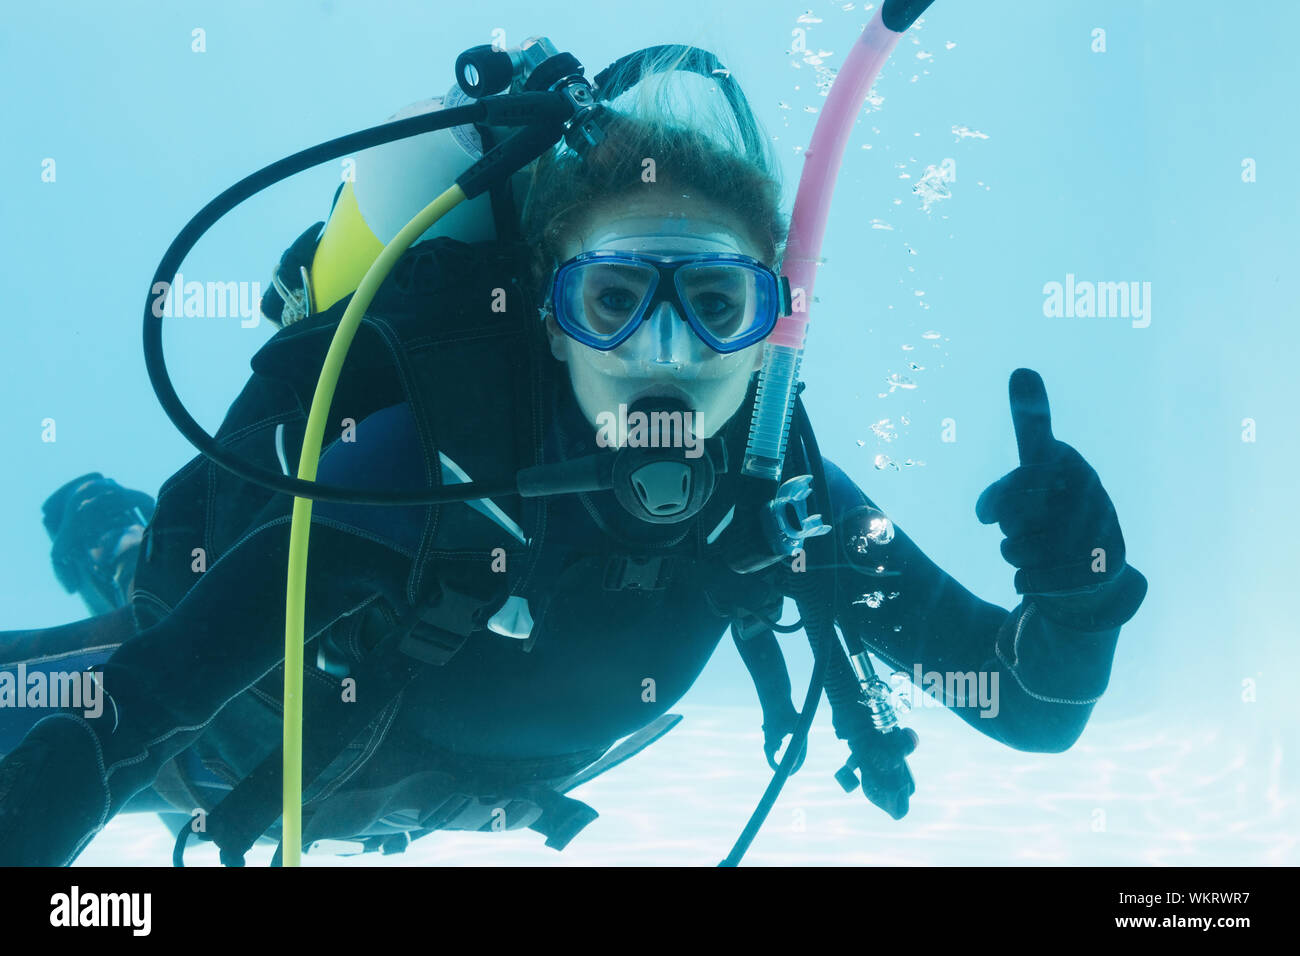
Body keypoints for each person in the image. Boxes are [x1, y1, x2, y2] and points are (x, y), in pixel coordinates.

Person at [0, 42, 1146, 867]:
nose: (663, 350)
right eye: (613, 297)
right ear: (553, 320)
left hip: (460, 794)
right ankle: (102, 524)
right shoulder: (424, 468)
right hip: (226, 757)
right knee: (136, 585)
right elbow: (142, 703)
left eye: (711, 301)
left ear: (771, 335)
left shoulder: (781, 504)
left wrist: (1075, 608)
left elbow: (1023, 703)